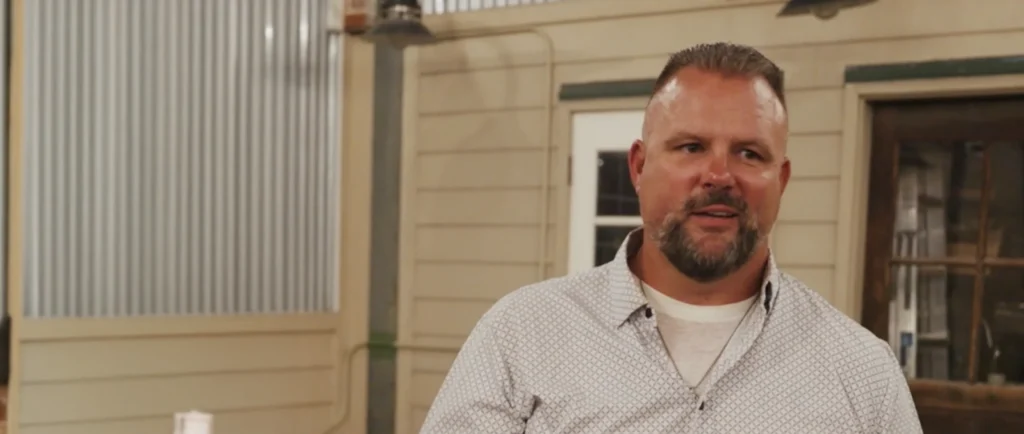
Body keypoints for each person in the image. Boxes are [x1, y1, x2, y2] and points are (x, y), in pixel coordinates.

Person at [419, 42, 922, 433]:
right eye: (691, 147)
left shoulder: (862, 372)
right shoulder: (523, 334)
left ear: (781, 180)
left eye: (749, 153)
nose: (719, 175)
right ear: (639, 167)